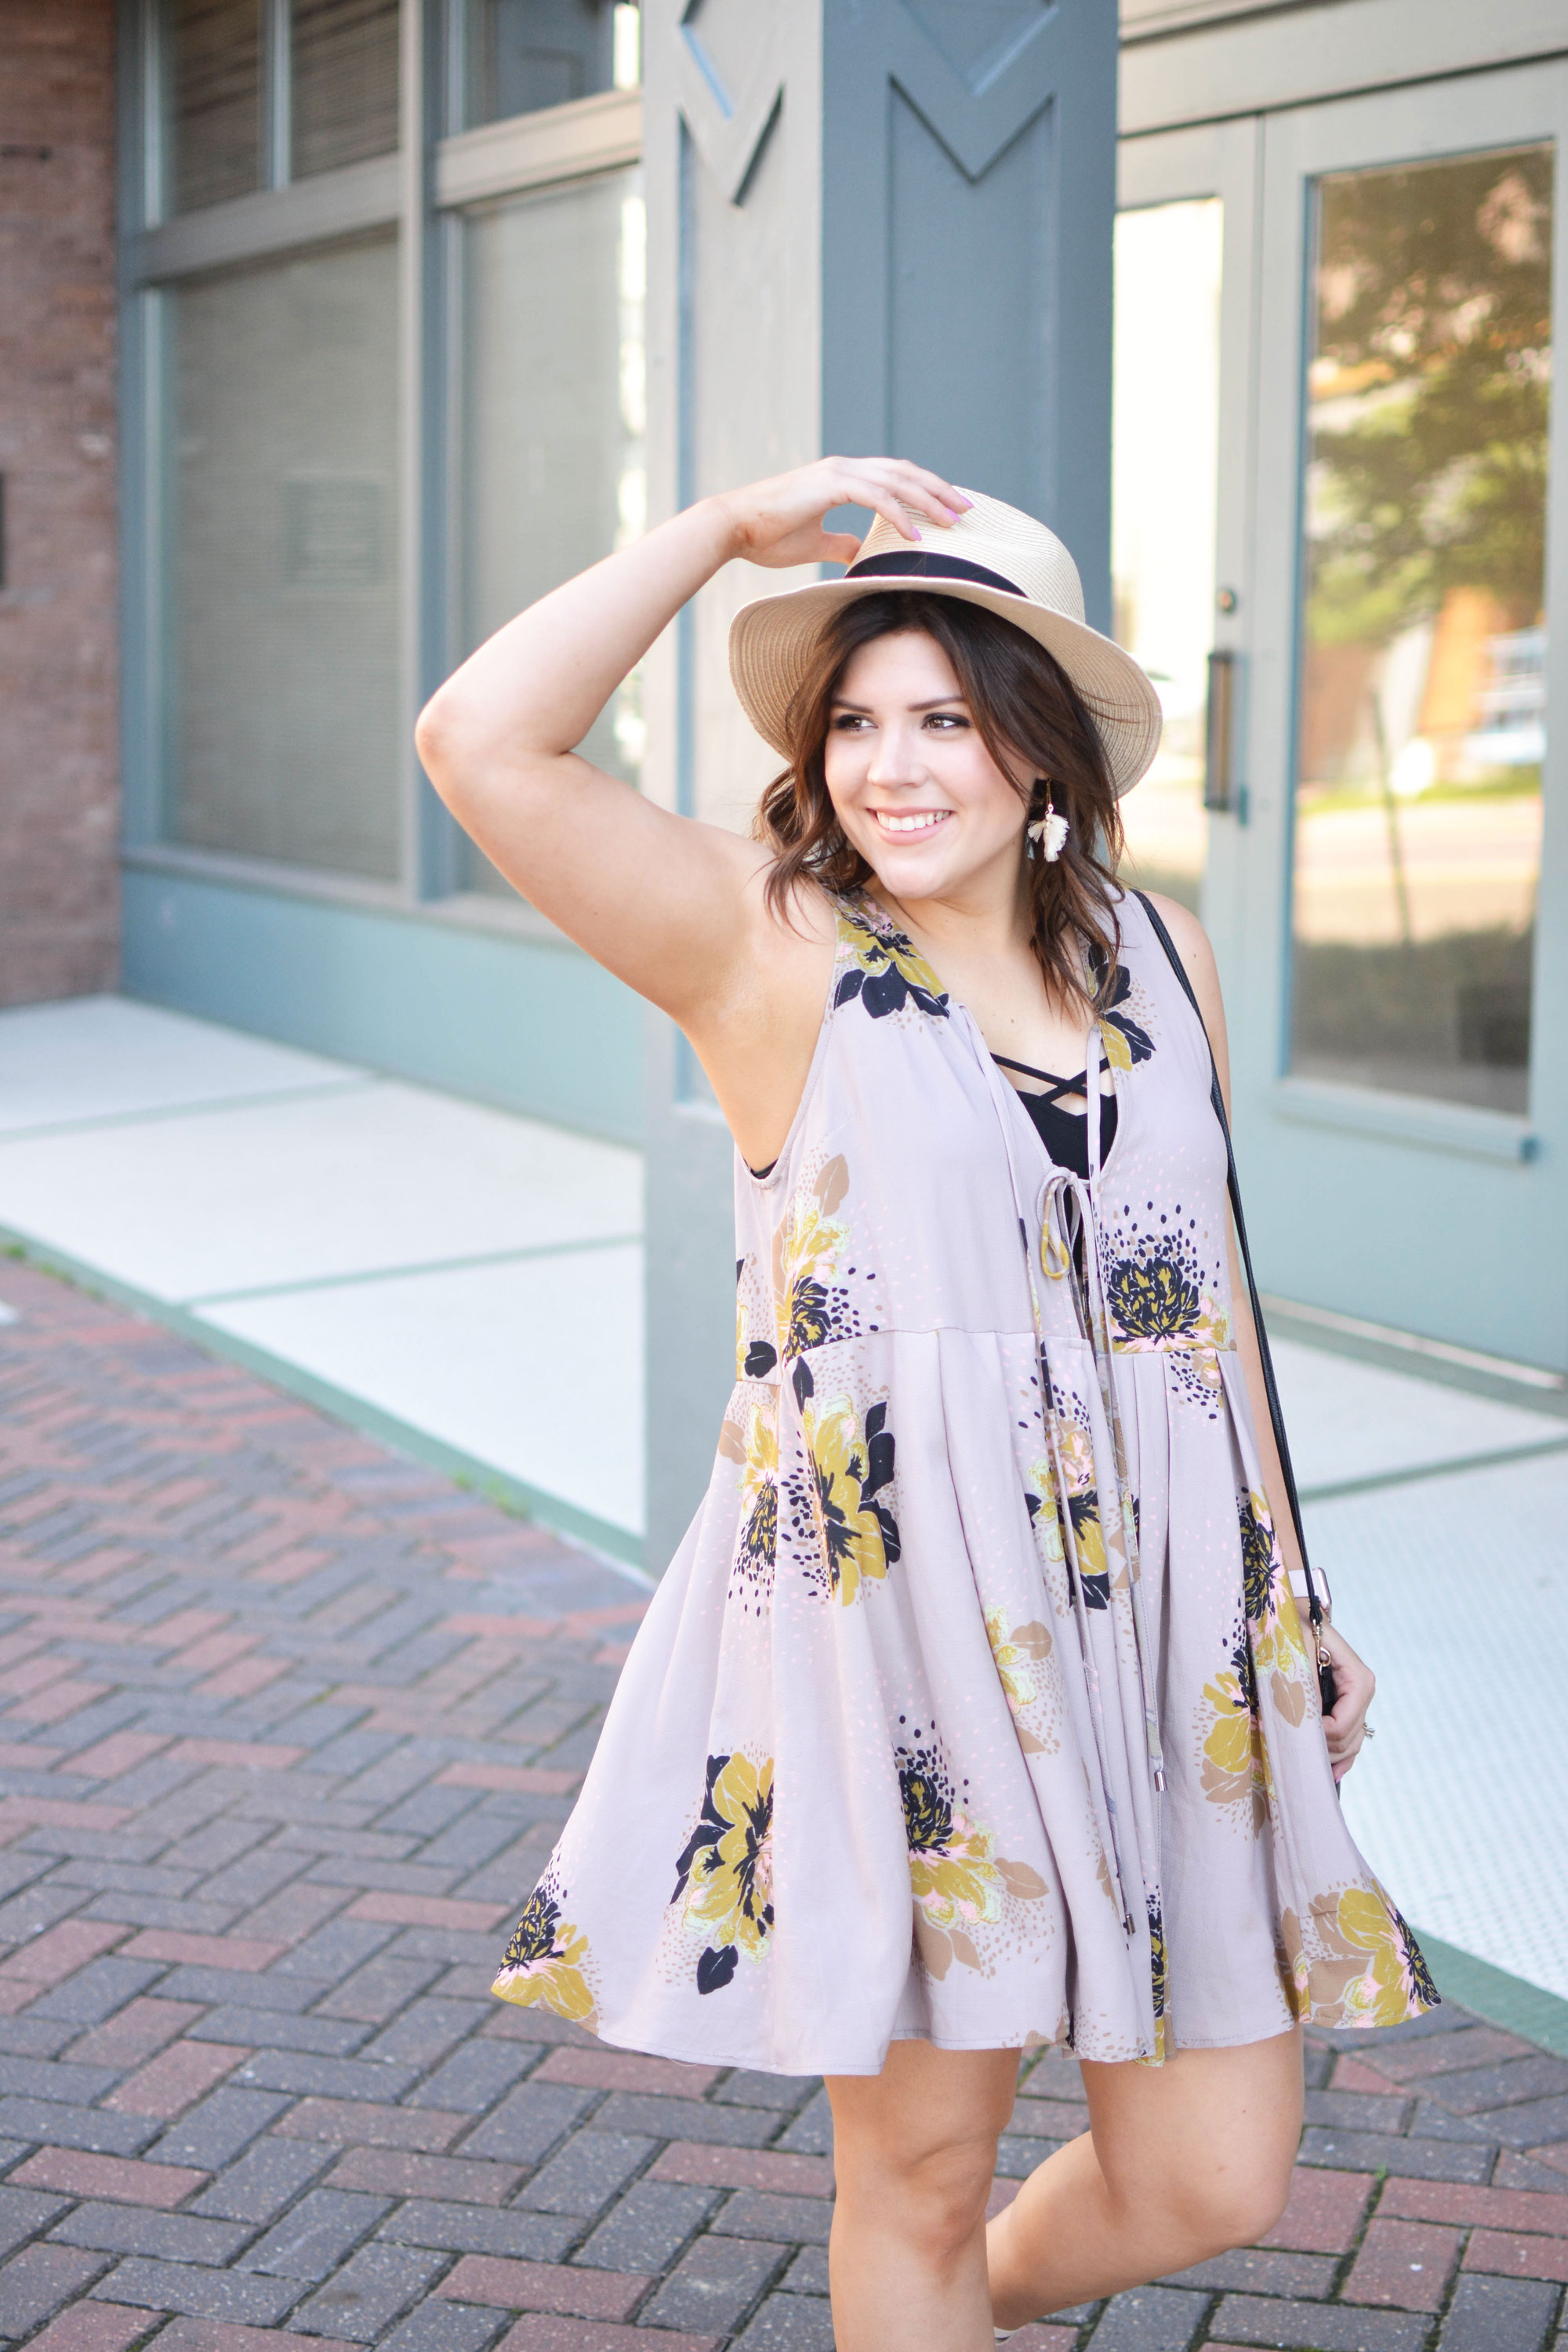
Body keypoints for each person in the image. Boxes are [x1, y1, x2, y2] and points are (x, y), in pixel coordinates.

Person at [415, 460, 1436, 2352]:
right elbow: (480, 739)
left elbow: (1207, 1307)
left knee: (1212, 2180)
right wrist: (721, 532)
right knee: (920, 2177)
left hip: (1163, 1622)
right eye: (856, 723)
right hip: (902, 1623)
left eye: (946, 720)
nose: (891, 769)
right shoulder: (767, 950)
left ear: (1040, 748)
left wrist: (1292, 1593)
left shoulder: (1160, 956)